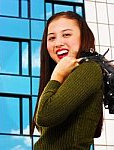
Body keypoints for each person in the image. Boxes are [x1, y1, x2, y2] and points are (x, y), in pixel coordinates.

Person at [31, 11, 104, 150]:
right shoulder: (67, 77)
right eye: (51, 38)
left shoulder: (89, 68)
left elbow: (46, 116)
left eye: (66, 34)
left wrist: (57, 75)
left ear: (84, 37)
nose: (58, 43)